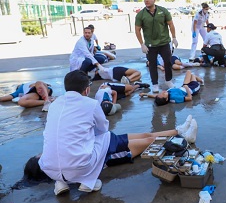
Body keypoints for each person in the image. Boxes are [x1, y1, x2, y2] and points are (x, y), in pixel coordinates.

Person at [22, 70, 198, 195]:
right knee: (147, 141)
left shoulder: (55, 105)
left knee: (145, 135)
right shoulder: (89, 104)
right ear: (86, 89)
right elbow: (103, 130)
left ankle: (178, 130)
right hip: (91, 159)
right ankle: (182, 135)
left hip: (64, 169)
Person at [135, 0, 178, 93]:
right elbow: (137, 30)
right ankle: (155, 84)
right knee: (152, 64)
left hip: (164, 42)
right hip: (150, 45)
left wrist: (174, 37)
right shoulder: (141, 15)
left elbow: (171, 24)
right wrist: (142, 44)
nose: (146, 0)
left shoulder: (163, 11)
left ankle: (168, 81)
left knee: (167, 62)